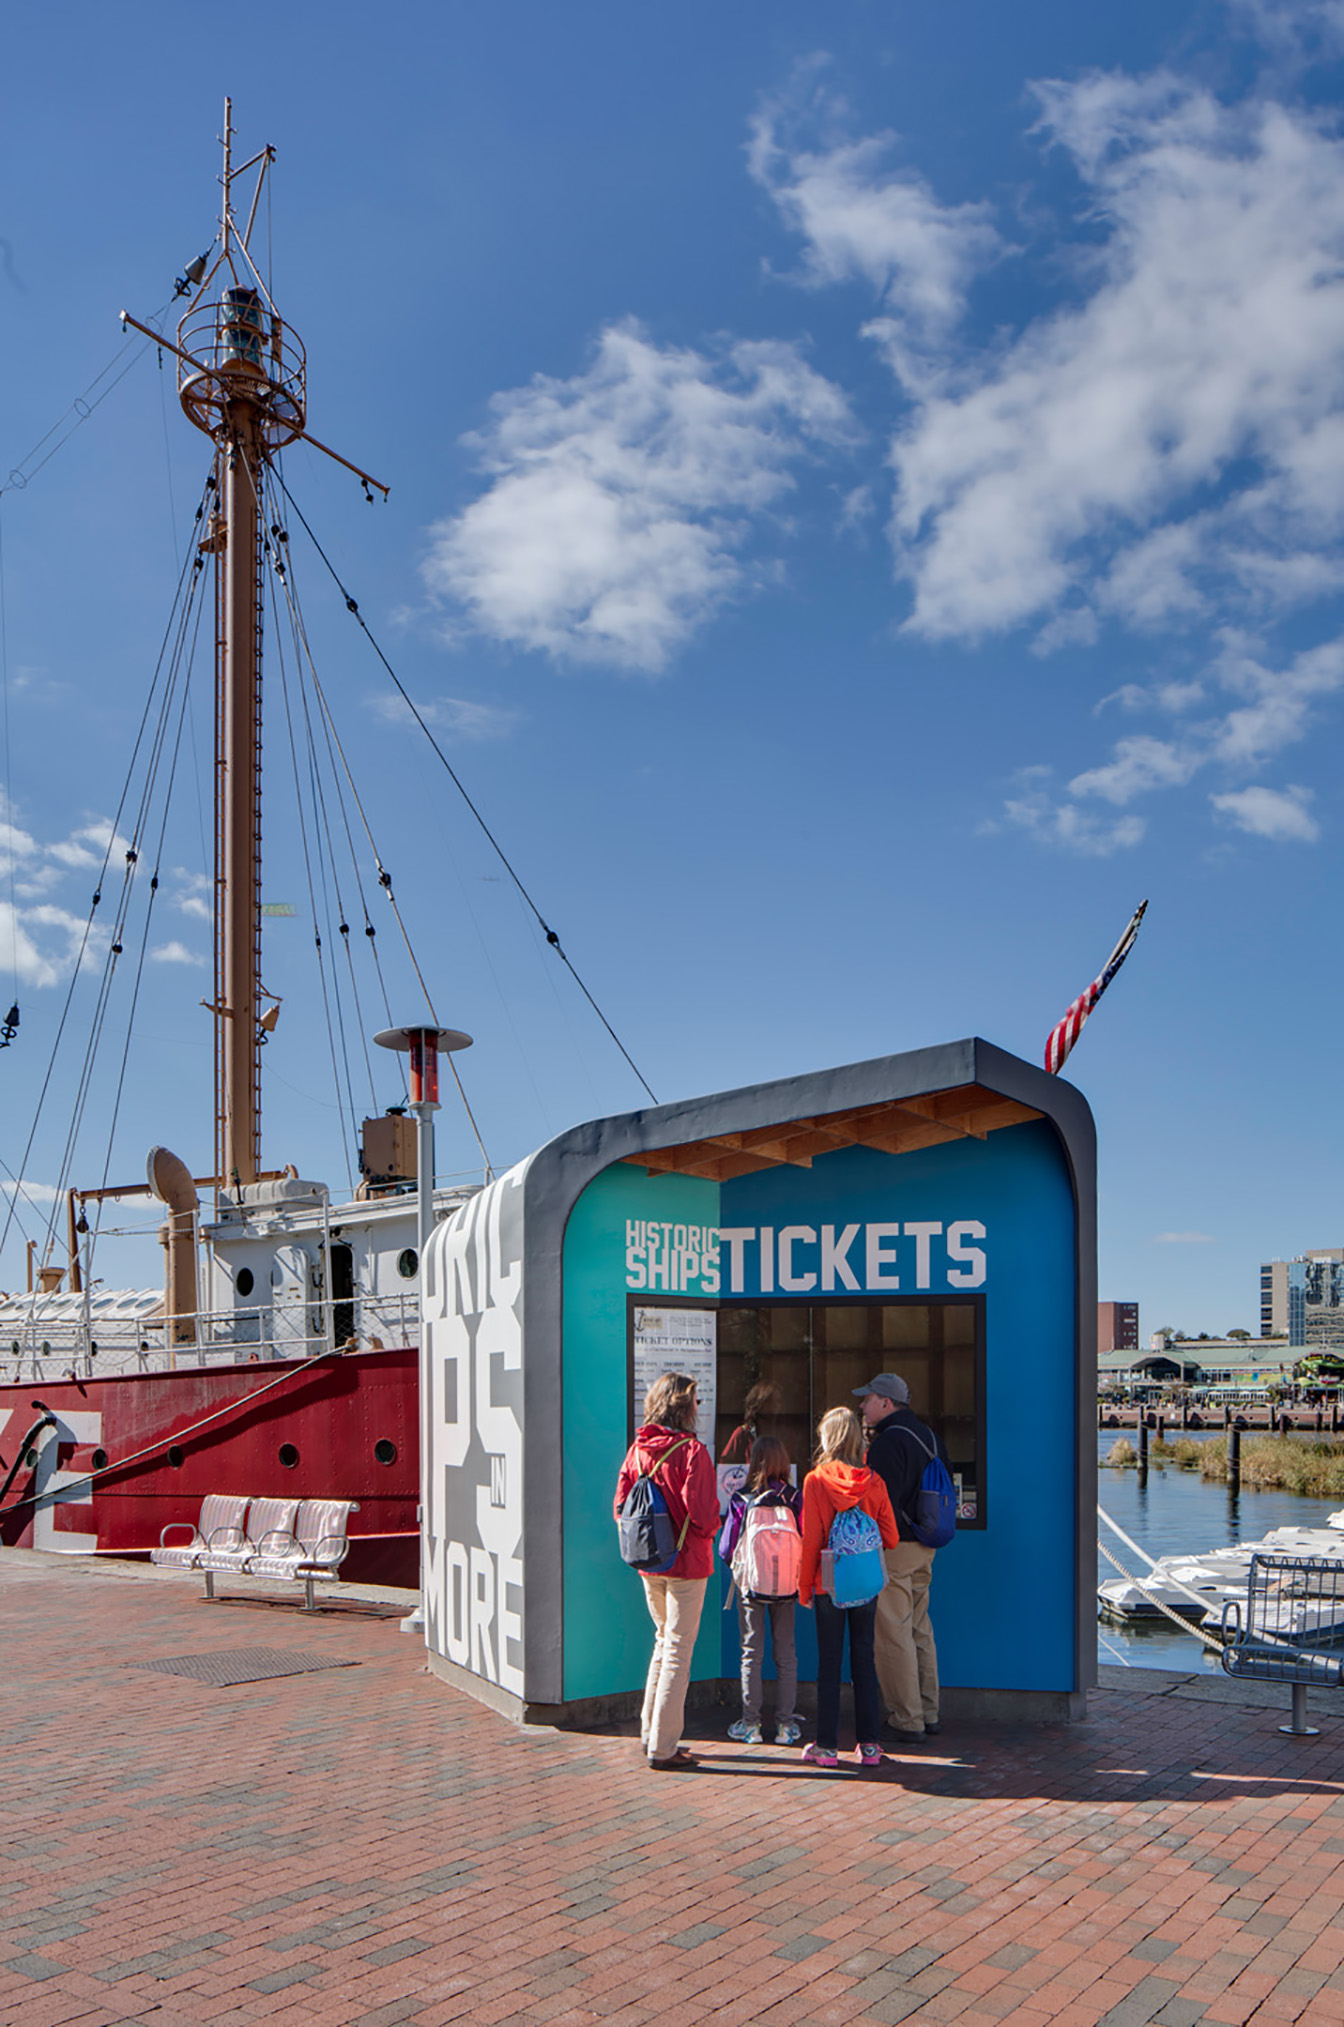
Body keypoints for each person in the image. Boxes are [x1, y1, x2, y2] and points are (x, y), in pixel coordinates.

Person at [613, 1371, 719, 1772]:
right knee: (678, 1649)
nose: (698, 1408)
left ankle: (649, 1733)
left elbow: (620, 1507)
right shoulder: (692, 1452)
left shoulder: (638, 1449)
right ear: (684, 1407)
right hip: (688, 1562)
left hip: (649, 1561)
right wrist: (710, 1532)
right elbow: (705, 1514)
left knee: (663, 1642)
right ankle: (663, 1746)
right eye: (695, 1401)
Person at [797, 1405, 898, 1770]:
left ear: (828, 1438)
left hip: (828, 1583)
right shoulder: (874, 1482)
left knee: (829, 1663)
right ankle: (870, 1745)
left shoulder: (815, 1481)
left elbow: (811, 1541)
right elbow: (892, 1536)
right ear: (857, 1438)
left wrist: (805, 1587)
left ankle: (827, 1747)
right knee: (864, 1660)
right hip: (865, 1584)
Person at [854, 1372, 946, 1744]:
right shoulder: (929, 1436)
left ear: (886, 1403)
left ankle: (907, 1719)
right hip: (925, 1545)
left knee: (893, 1634)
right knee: (920, 1629)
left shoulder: (887, 1444)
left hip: (895, 1548)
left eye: (868, 1399)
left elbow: (881, 1503)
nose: (862, 1406)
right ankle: (929, 1710)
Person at [718, 1434, 803, 1746]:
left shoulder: (742, 1498)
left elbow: (726, 1548)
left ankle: (751, 1725)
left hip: (751, 1587)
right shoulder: (795, 1497)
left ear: (753, 1462)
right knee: (786, 1655)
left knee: (751, 1652)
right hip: (787, 1588)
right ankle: (785, 1726)